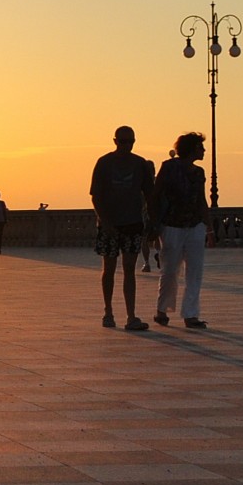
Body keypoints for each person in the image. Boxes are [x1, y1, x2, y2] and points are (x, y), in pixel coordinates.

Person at [89, 125, 156, 331]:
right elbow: (96, 196)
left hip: (132, 223)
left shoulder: (140, 164)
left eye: (131, 141)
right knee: (108, 269)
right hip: (109, 225)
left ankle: (131, 316)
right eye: (123, 141)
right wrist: (105, 221)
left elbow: (150, 195)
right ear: (115, 141)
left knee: (129, 269)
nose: (127, 145)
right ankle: (108, 312)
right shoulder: (104, 163)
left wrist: (153, 222)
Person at [153, 133, 211, 329]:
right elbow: (156, 194)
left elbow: (202, 200)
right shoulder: (169, 167)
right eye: (200, 147)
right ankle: (162, 310)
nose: (203, 151)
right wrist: (153, 225)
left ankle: (191, 314)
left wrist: (208, 228)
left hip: (195, 226)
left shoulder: (199, 172)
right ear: (192, 149)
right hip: (171, 225)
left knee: (195, 271)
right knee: (170, 270)